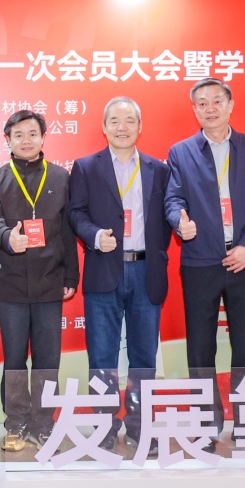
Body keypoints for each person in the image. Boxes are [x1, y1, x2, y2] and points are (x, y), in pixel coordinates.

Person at [165, 78, 245, 448]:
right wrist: (179, 220)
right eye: (202, 103)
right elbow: (173, 198)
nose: (209, 108)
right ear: (194, 109)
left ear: (230, 105)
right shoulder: (180, 152)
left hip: (244, 261)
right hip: (200, 260)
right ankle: (205, 423)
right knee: (200, 346)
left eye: (216, 101)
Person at [67, 96, 171, 450]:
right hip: (103, 270)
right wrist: (95, 236)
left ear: (140, 127)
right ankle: (104, 425)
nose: (122, 127)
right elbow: (76, 213)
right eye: (114, 121)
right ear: (104, 127)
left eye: (129, 121)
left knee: (144, 356)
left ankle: (141, 426)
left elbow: (166, 218)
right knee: (102, 356)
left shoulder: (159, 169)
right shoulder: (86, 167)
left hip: (146, 271)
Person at [0, 109, 79, 452]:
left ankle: (43, 423)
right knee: (13, 358)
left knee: (47, 359)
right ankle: (16, 423)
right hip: (10, 280)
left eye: (32, 134)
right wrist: (7, 237)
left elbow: (68, 230)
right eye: (19, 135)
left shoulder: (61, 176)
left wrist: (71, 274)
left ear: (43, 138)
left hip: (51, 280)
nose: (26, 140)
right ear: (8, 139)